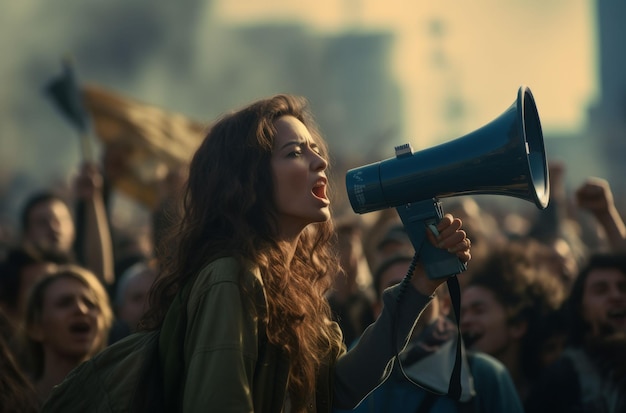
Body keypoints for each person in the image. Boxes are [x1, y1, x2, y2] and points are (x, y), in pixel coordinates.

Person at [139, 94, 472, 412]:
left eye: (315, 148)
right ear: (249, 180)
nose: (322, 161)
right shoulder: (231, 277)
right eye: (295, 153)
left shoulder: (293, 286)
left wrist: (419, 286)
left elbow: (340, 387)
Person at [334, 253, 524, 413]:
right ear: (377, 308)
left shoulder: (482, 374)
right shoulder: (352, 370)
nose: (410, 299)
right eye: (396, 291)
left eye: (422, 289)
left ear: (445, 305)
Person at [459, 241, 566, 406]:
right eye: (463, 313)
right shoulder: (456, 395)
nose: (465, 321)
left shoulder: (557, 395)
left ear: (517, 325)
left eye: (478, 310)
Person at [525, 252, 626, 413]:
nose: (616, 296)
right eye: (601, 290)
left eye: (623, 288)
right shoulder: (563, 377)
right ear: (581, 309)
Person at [22, 264, 113, 403]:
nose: (82, 310)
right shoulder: (14, 403)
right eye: (64, 303)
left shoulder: (123, 399)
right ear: (35, 328)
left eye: (90, 303)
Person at [327, 216, 376, 347]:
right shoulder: (323, 308)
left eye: (350, 246)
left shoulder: (369, 302)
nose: (348, 255)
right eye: (340, 246)